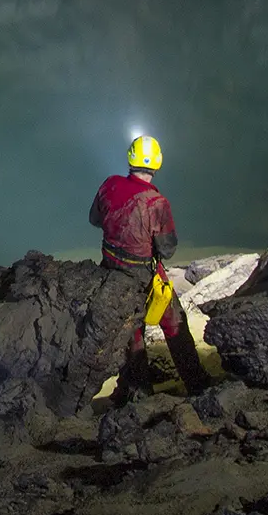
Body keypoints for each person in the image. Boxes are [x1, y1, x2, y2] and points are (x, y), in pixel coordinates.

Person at [90, 135, 210, 402]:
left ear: (130, 159)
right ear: (157, 164)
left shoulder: (109, 185)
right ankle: (198, 386)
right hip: (144, 275)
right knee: (174, 323)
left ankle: (135, 394)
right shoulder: (157, 203)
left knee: (132, 334)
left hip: (110, 271)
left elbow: (94, 219)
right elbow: (167, 249)